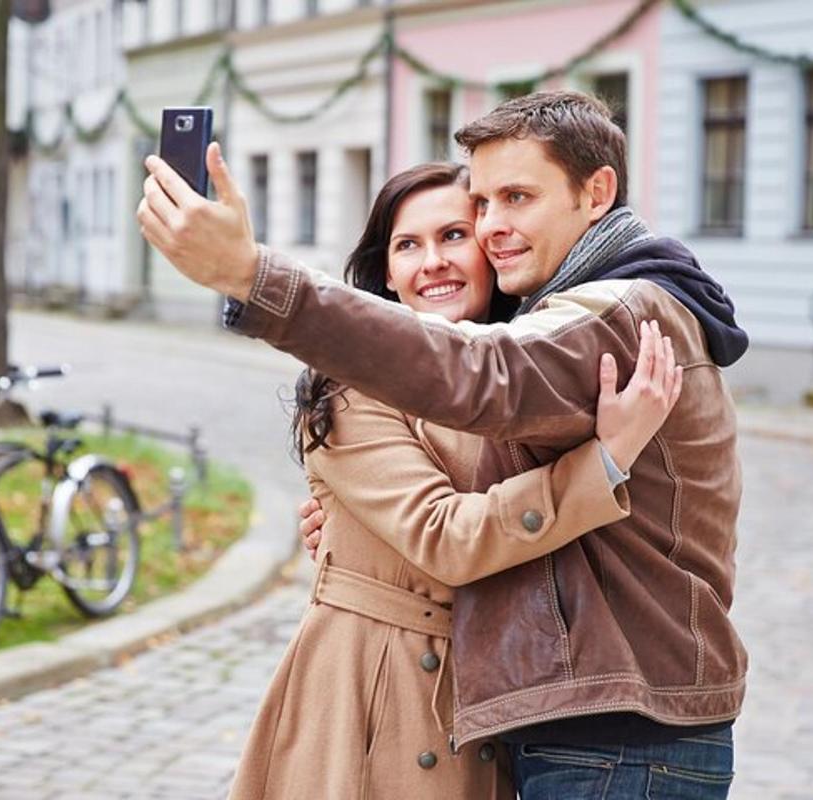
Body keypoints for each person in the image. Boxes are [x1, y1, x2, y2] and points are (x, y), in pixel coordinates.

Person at [139, 90, 748, 798]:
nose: (487, 231)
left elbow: (479, 377)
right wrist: (353, 535)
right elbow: (445, 511)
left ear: (596, 193)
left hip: (604, 724)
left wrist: (255, 276)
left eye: (499, 207)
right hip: (411, 709)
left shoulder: (600, 319)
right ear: (385, 275)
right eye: (481, 206)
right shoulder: (381, 379)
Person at [224, 162, 682, 799]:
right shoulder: (352, 385)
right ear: (386, 272)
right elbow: (443, 540)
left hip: (486, 702)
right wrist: (606, 458)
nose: (431, 261)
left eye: (453, 236)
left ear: (491, 247)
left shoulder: (528, 378)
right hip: (373, 696)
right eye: (407, 245)